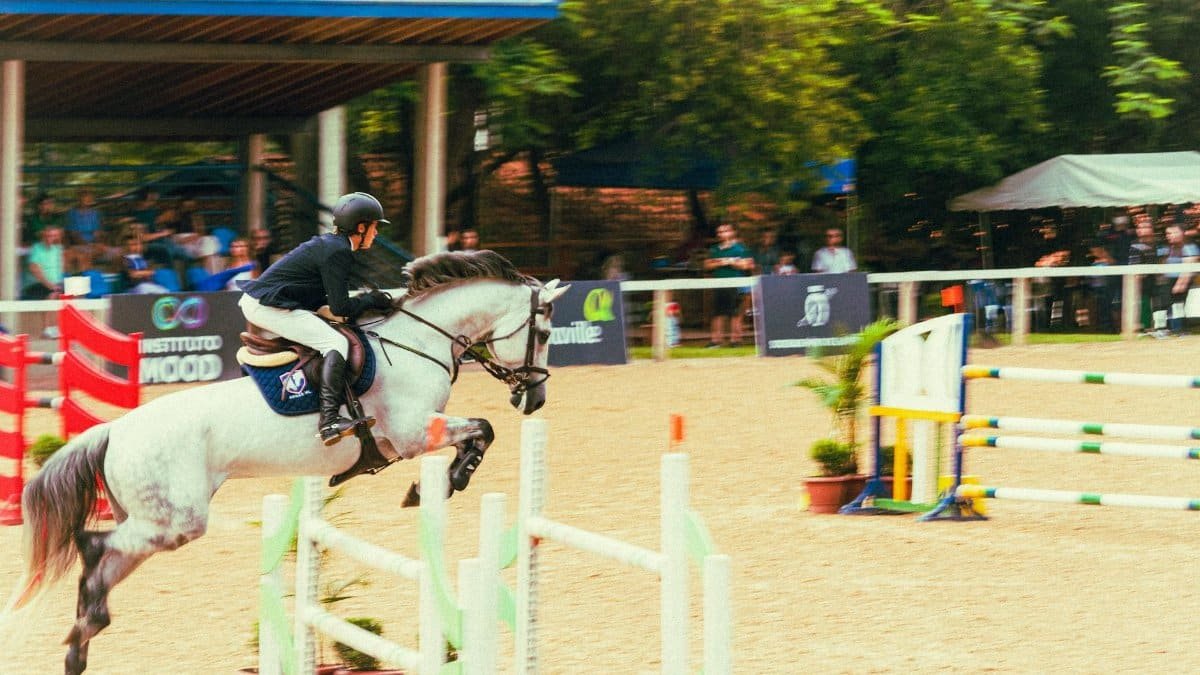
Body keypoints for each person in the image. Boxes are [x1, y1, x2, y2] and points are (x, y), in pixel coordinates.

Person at [238, 192, 394, 445]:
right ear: (361, 227)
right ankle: (329, 421)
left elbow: (329, 302)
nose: (376, 234)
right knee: (335, 343)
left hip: (271, 301)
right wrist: (372, 300)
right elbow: (341, 306)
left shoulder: (335, 246)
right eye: (374, 227)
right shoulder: (338, 252)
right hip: (268, 306)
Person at [702, 222, 753, 347]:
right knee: (717, 313)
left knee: (735, 313)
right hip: (719, 284)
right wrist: (724, 262)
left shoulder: (741, 248)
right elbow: (707, 265)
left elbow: (748, 265)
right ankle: (716, 341)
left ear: (732, 232)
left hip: (736, 284)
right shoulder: (714, 249)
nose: (721, 234)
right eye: (719, 232)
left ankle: (735, 340)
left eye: (724, 231)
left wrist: (730, 261)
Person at [1157, 223, 1198, 335]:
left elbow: (1188, 269)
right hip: (1167, 281)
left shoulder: (1189, 247)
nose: (1169, 235)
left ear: (1182, 233)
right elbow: (1161, 264)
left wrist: (1181, 284)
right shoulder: (1166, 248)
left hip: (1180, 281)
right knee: (1165, 306)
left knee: (1178, 306)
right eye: (1168, 233)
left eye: (1173, 233)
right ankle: (1166, 329)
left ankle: (1180, 329)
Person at [21, 225, 66, 300]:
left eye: (55, 236)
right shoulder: (36, 248)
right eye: (48, 236)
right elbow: (34, 268)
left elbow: (61, 269)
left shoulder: (58, 248)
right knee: (53, 296)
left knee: (76, 294)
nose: (50, 238)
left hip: (56, 285)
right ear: (43, 236)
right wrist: (50, 285)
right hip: (38, 284)